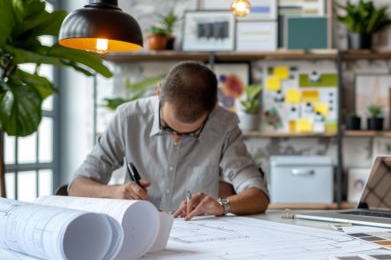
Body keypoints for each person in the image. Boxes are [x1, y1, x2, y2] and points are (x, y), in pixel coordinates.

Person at [69, 61, 269, 219]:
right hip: (137, 227)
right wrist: (115, 192)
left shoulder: (224, 125)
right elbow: (77, 187)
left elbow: (259, 195)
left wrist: (222, 205)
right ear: (159, 92)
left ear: (212, 109)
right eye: (165, 125)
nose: (175, 137)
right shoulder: (128, 118)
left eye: (191, 133)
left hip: (200, 235)